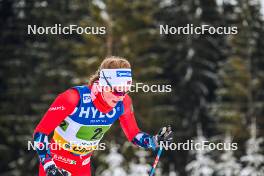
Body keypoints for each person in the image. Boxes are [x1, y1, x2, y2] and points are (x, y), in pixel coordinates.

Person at [33, 56, 173, 176]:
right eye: (118, 90)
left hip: (83, 165)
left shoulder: (123, 102)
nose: (121, 96)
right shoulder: (73, 98)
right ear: (104, 85)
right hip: (57, 161)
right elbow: (40, 133)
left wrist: (155, 140)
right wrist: (49, 165)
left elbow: (133, 135)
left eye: (126, 90)